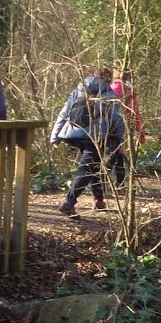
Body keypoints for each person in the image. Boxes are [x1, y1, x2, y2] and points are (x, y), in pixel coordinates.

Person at [52, 66, 126, 216]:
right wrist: (121, 141)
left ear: (94, 75)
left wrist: (56, 136)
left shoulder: (78, 90)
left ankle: (98, 200)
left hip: (73, 133)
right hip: (95, 136)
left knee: (94, 165)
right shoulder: (109, 95)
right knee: (87, 169)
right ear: (108, 79)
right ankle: (69, 202)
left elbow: (64, 112)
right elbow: (116, 119)